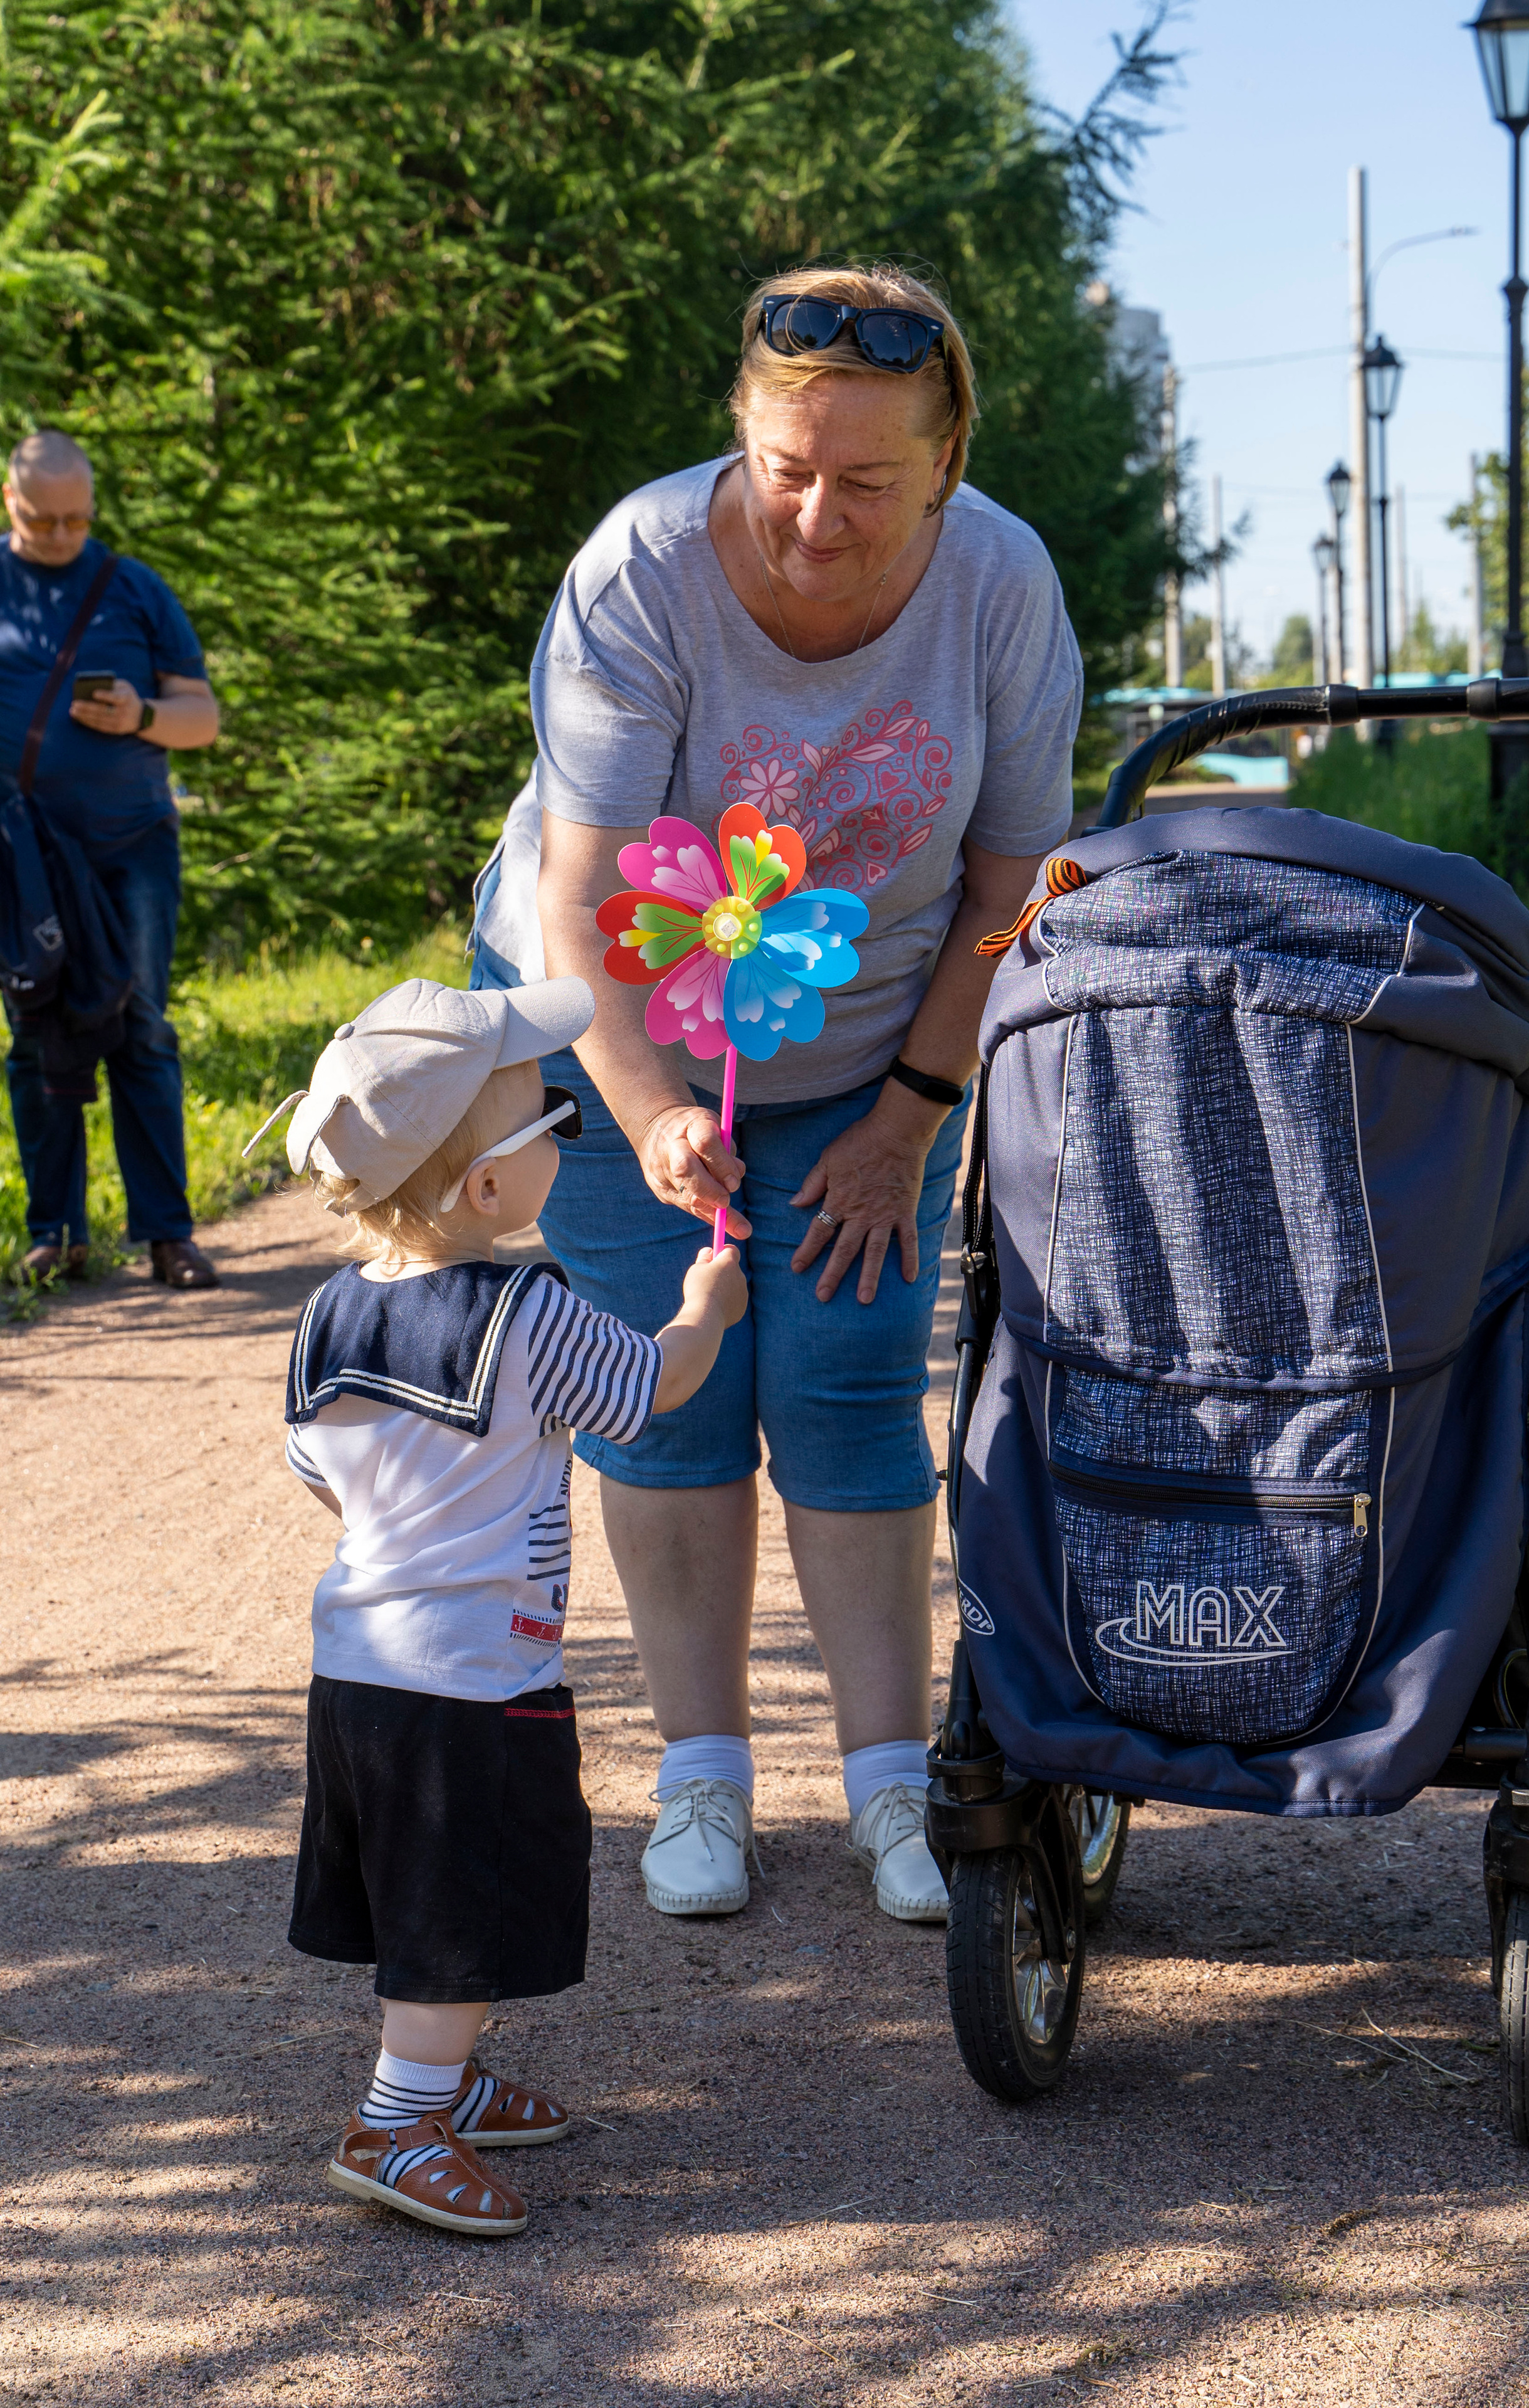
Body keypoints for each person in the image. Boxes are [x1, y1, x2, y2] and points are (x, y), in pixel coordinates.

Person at [471, 263, 1083, 1926]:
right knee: (671, 1388)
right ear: (739, 436)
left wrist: (905, 1119)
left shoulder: (1004, 590)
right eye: (785, 469)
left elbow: (1010, 892)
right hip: (616, 1027)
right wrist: (659, 1107)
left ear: (948, 465)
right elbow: (578, 902)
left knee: (846, 1376)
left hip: (868, 1037)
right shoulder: (642, 570)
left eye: (870, 481)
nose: (819, 516)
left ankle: (892, 1789)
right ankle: (704, 1784)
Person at [257, 975, 747, 2236]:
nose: (565, 1137)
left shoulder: (326, 1315)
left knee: (422, 1894)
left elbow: (316, 1469)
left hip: (359, 1667)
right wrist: (703, 1308)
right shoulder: (527, 1315)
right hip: (474, 1679)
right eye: (556, 1125)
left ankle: (444, 2086)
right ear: (487, 1191)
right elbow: (652, 1388)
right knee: (464, 1907)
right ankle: (397, 2120)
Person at [0, 428, 220, 1287]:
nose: (60, 535)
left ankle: (167, 1234)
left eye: (76, 519)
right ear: (10, 503)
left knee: (141, 1028)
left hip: (131, 847)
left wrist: (139, 715)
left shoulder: (134, 589)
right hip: (23, 859)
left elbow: (201, 719)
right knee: (35, 1030)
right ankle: (56, 1233)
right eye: (40, 519)